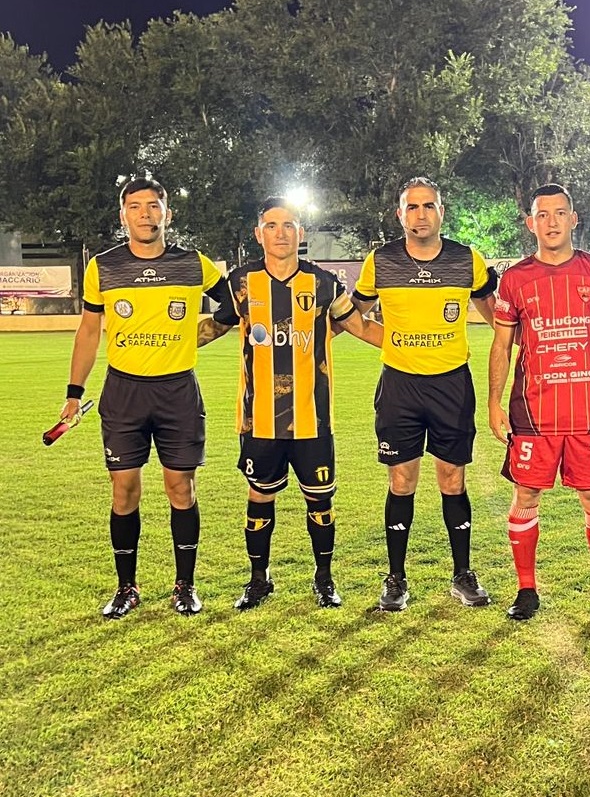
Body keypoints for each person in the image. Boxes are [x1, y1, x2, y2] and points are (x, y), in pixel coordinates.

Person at [198, 197, 382, 610]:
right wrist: (166, 344)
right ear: (258, 233)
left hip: (312, 418)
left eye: (288, 225)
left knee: (320, 500)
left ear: (301, 233)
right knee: (259, 496)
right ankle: (258, 579)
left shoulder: (323, 283)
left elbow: (359, 326)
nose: (280, 233)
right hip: (259, 419)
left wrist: (411, 344)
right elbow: (216, 326)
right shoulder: (241, 282)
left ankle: (324, 578)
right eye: (271, 225)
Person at [61, 177, 227, 619]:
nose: (145, 214)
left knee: (180, 488)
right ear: (123, 215)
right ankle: (126, 587)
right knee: (124, 490)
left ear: (167, 213)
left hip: (177, 391)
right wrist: (74, 394)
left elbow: (233, 305)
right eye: (135, 206)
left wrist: (200, 336)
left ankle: (185, 585)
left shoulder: (193, 264)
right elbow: (89, 331)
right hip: (124, 392)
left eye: (153, 206)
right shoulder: (103, 266)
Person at [488, 184, 590, 623]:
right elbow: (502, 345)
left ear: (574, 218)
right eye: (542, 214)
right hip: (532, 414)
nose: (551, 222)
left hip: (587, 411)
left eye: (559, 213)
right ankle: (525, 589)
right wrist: (494, 402)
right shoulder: (514, 279)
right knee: (525, 494)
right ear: (530, 223)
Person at [351, 177, 497, 611]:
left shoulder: (467, 259)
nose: (420, 215)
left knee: (453, 478)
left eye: (428, 206)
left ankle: (462, 574)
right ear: (400, 214)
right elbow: (351, 315)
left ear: (441, 212)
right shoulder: (381, 261)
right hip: (400, 385)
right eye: (412, 207)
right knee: (402, 479)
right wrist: (390, 340)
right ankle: (396, 578)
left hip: (451, 384)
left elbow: (498, 317)